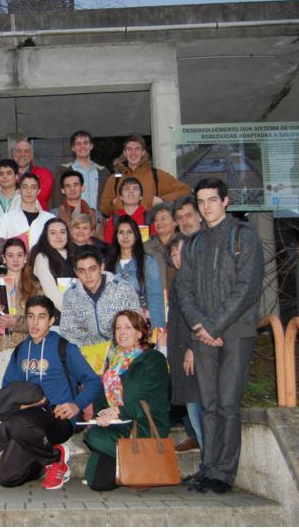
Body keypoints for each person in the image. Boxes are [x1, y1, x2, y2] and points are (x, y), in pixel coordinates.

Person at [175, 177, 264, 494]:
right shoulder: (195, 243)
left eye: (211, 200)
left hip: (235, 332)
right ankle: (209, 468)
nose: (205, 207)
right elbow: (182, 289)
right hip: (204, 335)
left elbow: (247, 289)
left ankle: (224, 474)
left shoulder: (244, 237)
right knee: (208, 405)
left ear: (225, 201)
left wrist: (213, 326)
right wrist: (201, 325)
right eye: (200, 202)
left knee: (227, 403)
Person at [0, 296, 101, 489]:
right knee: (7, 477)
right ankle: (48, 460)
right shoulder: (20, 351)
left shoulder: (65, 348)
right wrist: (22, 405)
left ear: (51, 321)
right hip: (27, 422)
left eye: (41, 317)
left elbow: (93, 381)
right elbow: (7, 389)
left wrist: (76, 404)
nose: (35, 323)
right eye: (31, 316)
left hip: (58, 418)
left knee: (16, 423)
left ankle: (55, 461)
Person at [83, 310, 171, 491]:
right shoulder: (114, 359)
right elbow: (102, 392)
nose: (121, 332)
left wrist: (118, 411)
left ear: (140, 332)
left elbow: (152, 398)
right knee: (96, 482)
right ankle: (135, 469)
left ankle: (142, 466)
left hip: (143, 420)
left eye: (128, 327)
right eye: (118, 328)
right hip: (119, 421)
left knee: (95, 436)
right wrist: (102, 411)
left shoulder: (153, 359)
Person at [0, 239, 43, 417]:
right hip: (0, 349)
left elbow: (41, 320)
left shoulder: (34, 286)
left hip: (27, 351)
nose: (15, 260)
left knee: (28, 404)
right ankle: (2, 444)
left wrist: (16, 322)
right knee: (3, 403)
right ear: (3, 258)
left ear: (26, 258)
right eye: (10, 255)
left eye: (19, 255)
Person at [166, 235, 204, 471]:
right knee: (192, 407)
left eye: (180, 252)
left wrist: (193, 347)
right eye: (173, 254)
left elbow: (198, 317)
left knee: (196, 408)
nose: (177, 257)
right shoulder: (180, 280)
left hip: (192, 352)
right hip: (180, 352)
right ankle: (206, 464)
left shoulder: (197, 280)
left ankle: (209, 464)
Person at [60, 246, 141, 349]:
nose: (88, 275)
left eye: (92, 269)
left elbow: (137, 326)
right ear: (76, 272)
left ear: (101, 267)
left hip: (122, 353)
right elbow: (68, 334)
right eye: (82, 271)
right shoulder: (70, 296)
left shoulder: (123, 288)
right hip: (88, 355)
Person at [98, 134, 190, 217]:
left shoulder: (156, 175)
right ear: (125, 153)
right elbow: (103, 207)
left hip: (149, 228)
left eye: (137, 149)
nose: (133, 153)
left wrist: (162, 200)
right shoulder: (115, 179)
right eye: (129, 149)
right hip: (123, 230)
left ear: (143, 152)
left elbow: (185, 191)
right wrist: (114, 203)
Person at [105, 215, 165, 331]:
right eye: (121, 232)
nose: (125, 236)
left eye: (129, 232)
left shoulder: (147, 262)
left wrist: (158, 328)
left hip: (140, 324)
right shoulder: (108, 263)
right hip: (114, 325)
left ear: (136, 235)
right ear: (116, 236)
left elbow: (155, 297)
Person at [0, 174, 55, 266]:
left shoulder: (49, 219)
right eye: (25, 187)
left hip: (43, 270)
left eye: (33, 187)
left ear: (38, 191)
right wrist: (6, 260)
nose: (29, 191)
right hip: (14, 272)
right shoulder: (8, 218)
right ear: (19, 191)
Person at [52, 130, 111, 212]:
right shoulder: (63, 172)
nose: (82, 146)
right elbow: (56, 199)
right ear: (73, 148)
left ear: (91, 146)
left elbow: (108, 199)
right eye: (78, 144)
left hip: (98, 220)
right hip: (73, 220)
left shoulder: (103, 172)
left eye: (86, 143)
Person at [0, 139, 53, 210]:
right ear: (13, 154)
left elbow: (42, 196)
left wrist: (11, 190)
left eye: (26, 151)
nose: (22, 154)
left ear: (31, 155)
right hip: (8, 218)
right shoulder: (0, 175)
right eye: (18, 151)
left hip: (37, 218)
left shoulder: (44, 174)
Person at [30, 218, 75, 313]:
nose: (59, 236)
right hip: (55, 315)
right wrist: (73, 313)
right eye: (53, 233)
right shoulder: (42, 257)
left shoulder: (74, 254)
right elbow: (51, 292)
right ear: (46, 236)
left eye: (62, 232)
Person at [103, 176, 152, 244]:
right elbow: (108, 246)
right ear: (121, 197)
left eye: (135, 188)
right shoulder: (114, 220)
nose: (131, 191)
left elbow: (155, 246)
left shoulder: (150, 218)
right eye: (126, 189)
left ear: (141, 196)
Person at [52, 169, 98, 235]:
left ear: (82, 188)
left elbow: (100, 243)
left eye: (75, 185)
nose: (72, 189)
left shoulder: (96, 216)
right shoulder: (53, 215)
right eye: (68, 186)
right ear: (63, 190)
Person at [144, 202, 179, 289]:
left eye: (163, 218)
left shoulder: (183, 245)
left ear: (175, 222)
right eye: (156, 219)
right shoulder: (146, 247)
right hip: (154, 296)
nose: (159, 222)